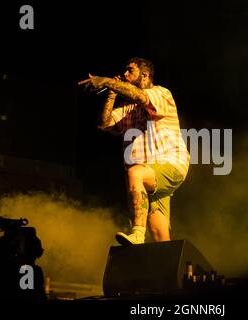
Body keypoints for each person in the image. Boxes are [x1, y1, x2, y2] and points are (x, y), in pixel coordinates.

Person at [78, 57, 189, 245]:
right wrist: (112, 92)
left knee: (135, 172)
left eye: (130, 71)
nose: (125, 75)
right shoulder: (128, 108)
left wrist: (106, 81)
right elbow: (104, 123)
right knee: (159, 234)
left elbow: (141, 97)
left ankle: (137, 234)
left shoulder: (160, 93)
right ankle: (167, 269)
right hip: (150, 175)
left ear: (144, 74)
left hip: (171, 163)